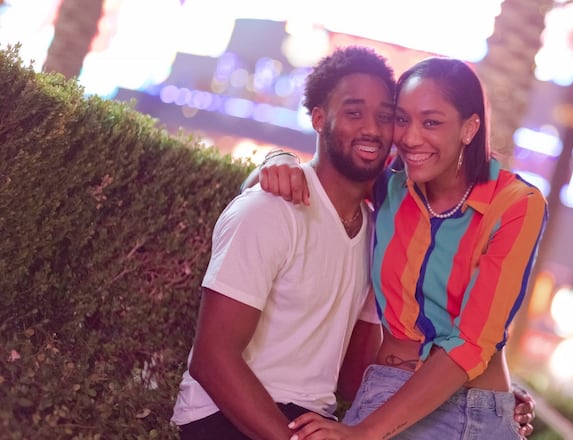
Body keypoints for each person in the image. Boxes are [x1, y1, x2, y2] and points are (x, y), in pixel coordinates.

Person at [172, 46, 535, 440]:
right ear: (319, 117)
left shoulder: (384, 221)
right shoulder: (295, 206)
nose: (379, 131)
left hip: (327, 415)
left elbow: (362, 370)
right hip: (236, 417)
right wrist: (274, 161)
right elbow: (211, 359)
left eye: (386, 117)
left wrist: (481, 397)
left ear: (469, 127)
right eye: (356, 113)